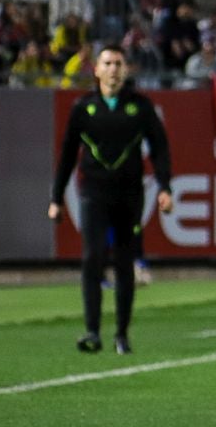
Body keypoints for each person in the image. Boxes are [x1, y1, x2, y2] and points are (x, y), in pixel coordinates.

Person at [49, 44, 173, 355]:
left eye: (119, 63)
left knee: (123, 261)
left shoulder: (141, 107)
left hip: (130, 193)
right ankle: (92, 330)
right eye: (108, 63)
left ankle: (121, 333)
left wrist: (165, 187)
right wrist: (56, 197)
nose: (114, 69)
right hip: (93, 192)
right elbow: (67, 154)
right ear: (97, 69)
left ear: (126, 69)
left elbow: (160, 148)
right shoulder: (83, 107)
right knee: (92, 257)